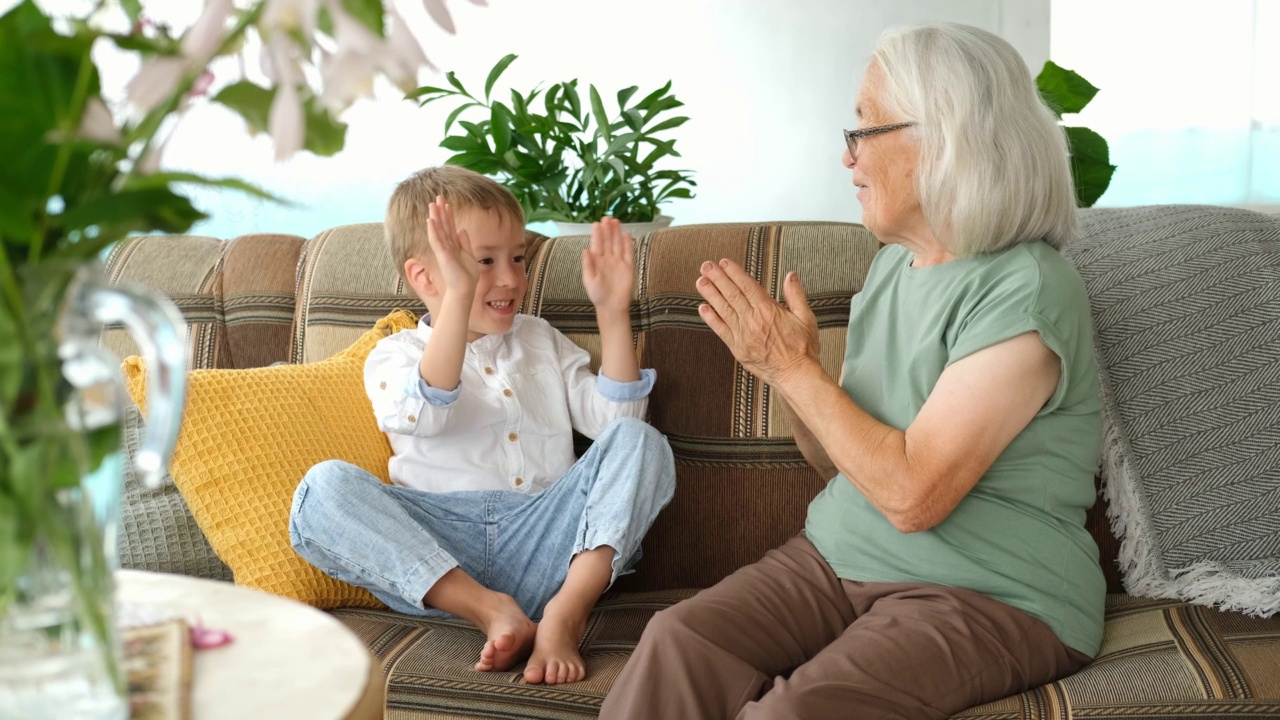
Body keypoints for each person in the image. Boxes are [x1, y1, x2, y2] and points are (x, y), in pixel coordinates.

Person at [600, 22, 1105, 719]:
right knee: (676, 640)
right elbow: (843, 466)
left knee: (790, 714)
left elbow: (914, 496)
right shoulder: (894, 266)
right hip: (835, 559)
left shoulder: (1026, 287)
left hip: (991, 591)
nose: (847, 157)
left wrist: (799, 372)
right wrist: (790, 376)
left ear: (942, 137)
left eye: (863, 129)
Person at [289, 166, 676, 685]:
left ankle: (567, 611)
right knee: (321, 489)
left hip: (549, 539)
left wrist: (612, 313)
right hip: (440, 551)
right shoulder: (394, 354)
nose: (511, 278)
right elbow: (425, 412)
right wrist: (457, 298)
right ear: (425, 276)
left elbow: (618, 425)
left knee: (641, 442)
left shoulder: (540, 339)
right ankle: (488, 610)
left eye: (518, 258)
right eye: (484, 262)